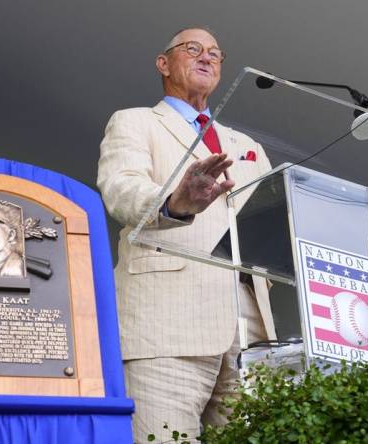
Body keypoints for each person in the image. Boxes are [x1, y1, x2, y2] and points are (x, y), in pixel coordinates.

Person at [97, 27, 277, 441]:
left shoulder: (246, 145)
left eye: (216, 53)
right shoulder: (135, 122)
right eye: (192, 48)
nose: (207, 57)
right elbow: (121, 189)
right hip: (167, 326)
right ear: (164, 64)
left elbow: (272, 217)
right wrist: (175, 202)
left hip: (250, 331)